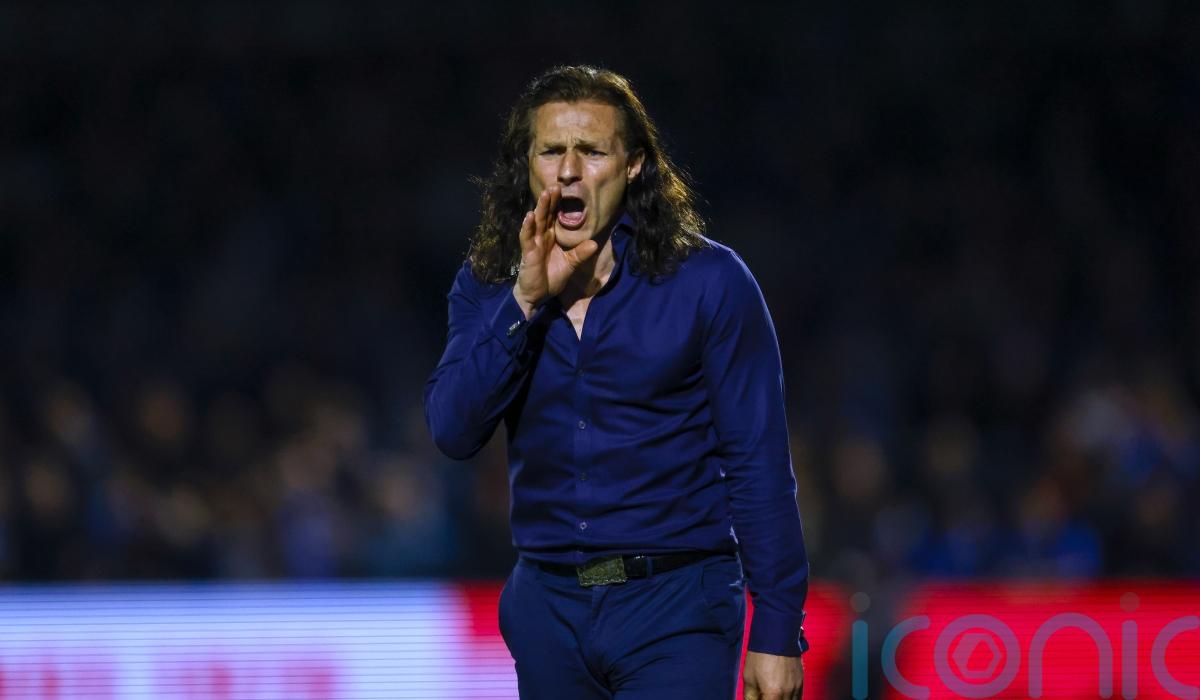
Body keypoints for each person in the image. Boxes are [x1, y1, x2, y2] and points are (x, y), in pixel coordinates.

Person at [424, 65, 809, 700]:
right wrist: (525, 301)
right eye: (551, 151)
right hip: (546, 611)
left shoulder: (709, 283)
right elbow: (452, 429)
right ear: (527, 166)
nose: (569, 171)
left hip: (677, 609)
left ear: (632, 166)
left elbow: (759, 464)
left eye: (592, 151)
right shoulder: (490, 284)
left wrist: (777, 629)